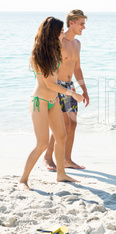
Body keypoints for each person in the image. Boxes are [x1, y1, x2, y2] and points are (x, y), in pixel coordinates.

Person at [19, 17, 84, 191]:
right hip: (39, 101)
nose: (62, 33)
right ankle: (23, 180)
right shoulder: (39, 55)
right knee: (41, 144)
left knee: (61, 137)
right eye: (60, 31)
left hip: (53, 100)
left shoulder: (54, 51)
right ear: (52, 33)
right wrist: (72, 94)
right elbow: (49, 84)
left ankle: (61, 174)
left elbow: (66, 70)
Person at [44, 9, 89, 171]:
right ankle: (49, 157)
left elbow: (77, 69)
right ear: (72, 23)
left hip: (71, 86)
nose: (84, 27)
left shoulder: (77, 44)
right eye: (81, 24)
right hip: (58, 87)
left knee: (72, 124)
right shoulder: (58, 42)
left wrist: (84, 90)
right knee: (61, 124)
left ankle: (67, 159)